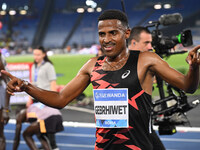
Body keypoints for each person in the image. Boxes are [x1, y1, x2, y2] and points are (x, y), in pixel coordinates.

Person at [2, 9, 200, 150]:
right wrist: (26, 86)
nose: (106, 39)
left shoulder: (145, 60)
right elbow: (60, 99)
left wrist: (194, 67)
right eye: (102, 34)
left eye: (113, 33)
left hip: (138, 146)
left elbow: (187, 86)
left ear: (127, 33)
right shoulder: (92, 66)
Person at [12, 46, 63, 150]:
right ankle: (46, 144)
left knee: (48, 121)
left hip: (46, 98)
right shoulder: (34, 66)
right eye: (34, 54)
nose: (36, 57)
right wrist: (29, 98)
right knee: (39, 124)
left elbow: (53, 83)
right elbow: (32, 85)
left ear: (44, 54)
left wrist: (52, 100)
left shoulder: (48, 66)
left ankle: (53, 146)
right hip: (36, 98)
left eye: (38, 54)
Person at [128, 26, 166, 150]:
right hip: (129, 131)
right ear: (133, 42)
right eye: (146, 43)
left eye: (151, 42)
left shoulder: (146, 63)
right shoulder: (119, 63)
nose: (150, 47)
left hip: (145, 126)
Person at [0, 51, 10, 150]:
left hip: (0, 97)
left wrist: (6, 110)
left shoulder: (1, 58)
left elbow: (8, 84)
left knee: (0, 134)